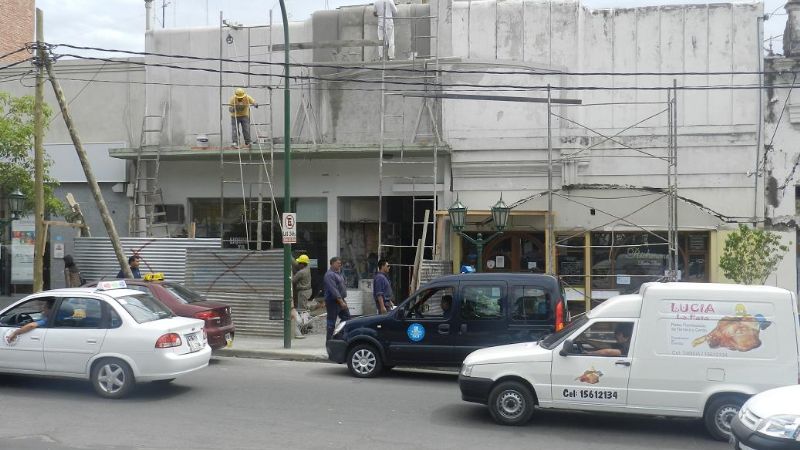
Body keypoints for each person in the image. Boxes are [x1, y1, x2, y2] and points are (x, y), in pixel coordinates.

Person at [324, 256, 351, 341]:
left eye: (340, 263)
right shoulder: (329, 275)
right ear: (332, 264)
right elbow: (333, 290)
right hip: (333, 301)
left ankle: (339, 335)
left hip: (341, 300)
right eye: (338, 263)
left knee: (347, 317)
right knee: (331, 322)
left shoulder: (338, 273)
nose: (340, 265)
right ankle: (329, 341)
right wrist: (341, 301)